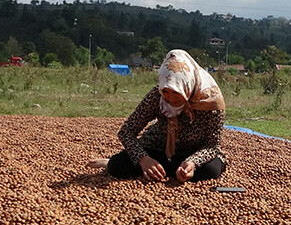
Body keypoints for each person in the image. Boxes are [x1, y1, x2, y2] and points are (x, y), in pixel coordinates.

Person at [87, 49, 227, 183]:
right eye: (166, 91)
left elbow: (212, 145)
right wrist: (143, 159)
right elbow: (126, 131)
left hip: (194, 153)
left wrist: (192, 163)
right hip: (159, 148)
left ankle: (171, 170)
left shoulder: (211, 103)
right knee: (118, 166)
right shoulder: (157, 95)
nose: (170, 99)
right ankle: (114, 163)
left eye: (176, 93)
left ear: (187, 86)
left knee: (210, 171)